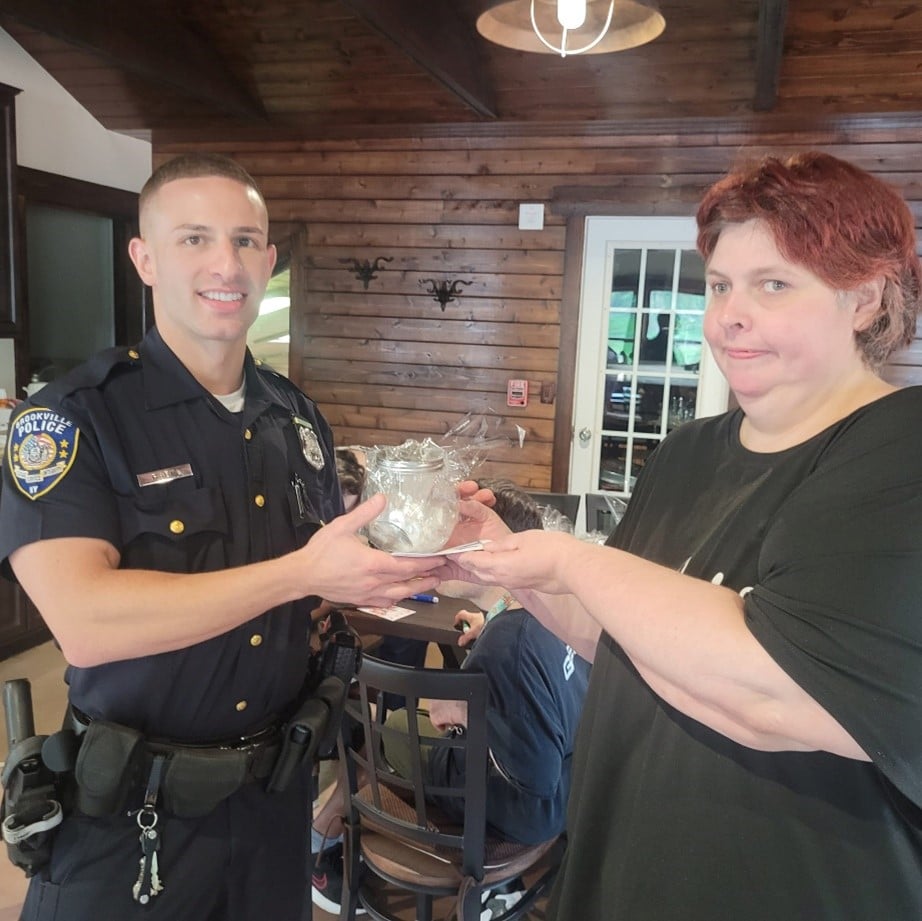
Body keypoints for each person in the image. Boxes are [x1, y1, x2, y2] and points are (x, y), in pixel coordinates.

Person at [442, 152, 922, 920]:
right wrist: (511, 566)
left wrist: (569, 557)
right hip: (619, 876)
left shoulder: (899, 449)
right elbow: (618, 634)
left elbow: (775, 693)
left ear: (864, 298)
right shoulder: (690, 451)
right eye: (722, 285)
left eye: (774, 283)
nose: (730, 314)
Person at [0, 153, 444, 920]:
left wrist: (425, 536)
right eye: (193, 239)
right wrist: (298, 572)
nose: (224, 263)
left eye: (245, 240)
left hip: (276, 808)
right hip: (132, 820)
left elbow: (324, 585)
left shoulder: (297, 420)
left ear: (270, 260)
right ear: (143, 258)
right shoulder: (74, 417)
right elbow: (85, 622)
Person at [311, 479, 590, 916]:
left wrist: (464, 712)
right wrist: (493, 623)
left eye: (450, 544)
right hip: (569, 793)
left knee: (381, 727)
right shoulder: (559, 613)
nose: (440, 556)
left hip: (526, 811)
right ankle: (322, 838)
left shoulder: (507, 644)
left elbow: (532, 773)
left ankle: (321, 848)